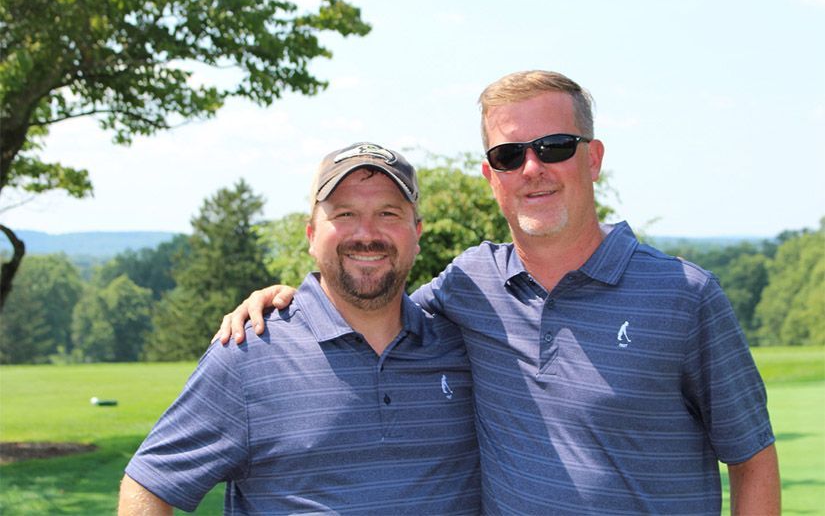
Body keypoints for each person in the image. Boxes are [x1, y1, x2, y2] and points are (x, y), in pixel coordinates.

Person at [218, 71, 780, 514]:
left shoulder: (685, 296)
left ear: (593, 159)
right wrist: (290, 299)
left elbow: (753, 460)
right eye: (509, 155)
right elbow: (374, 307)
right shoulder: (471, 284)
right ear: (492, 178)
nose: (532, 168)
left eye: (554, 146)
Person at [119, 143, 480, 514]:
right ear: (311, 236)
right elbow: (148, 484)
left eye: (388, 213)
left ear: (417, 233)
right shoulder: (249, 351)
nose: (366, 233)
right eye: (345, 214)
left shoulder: (465, 346)